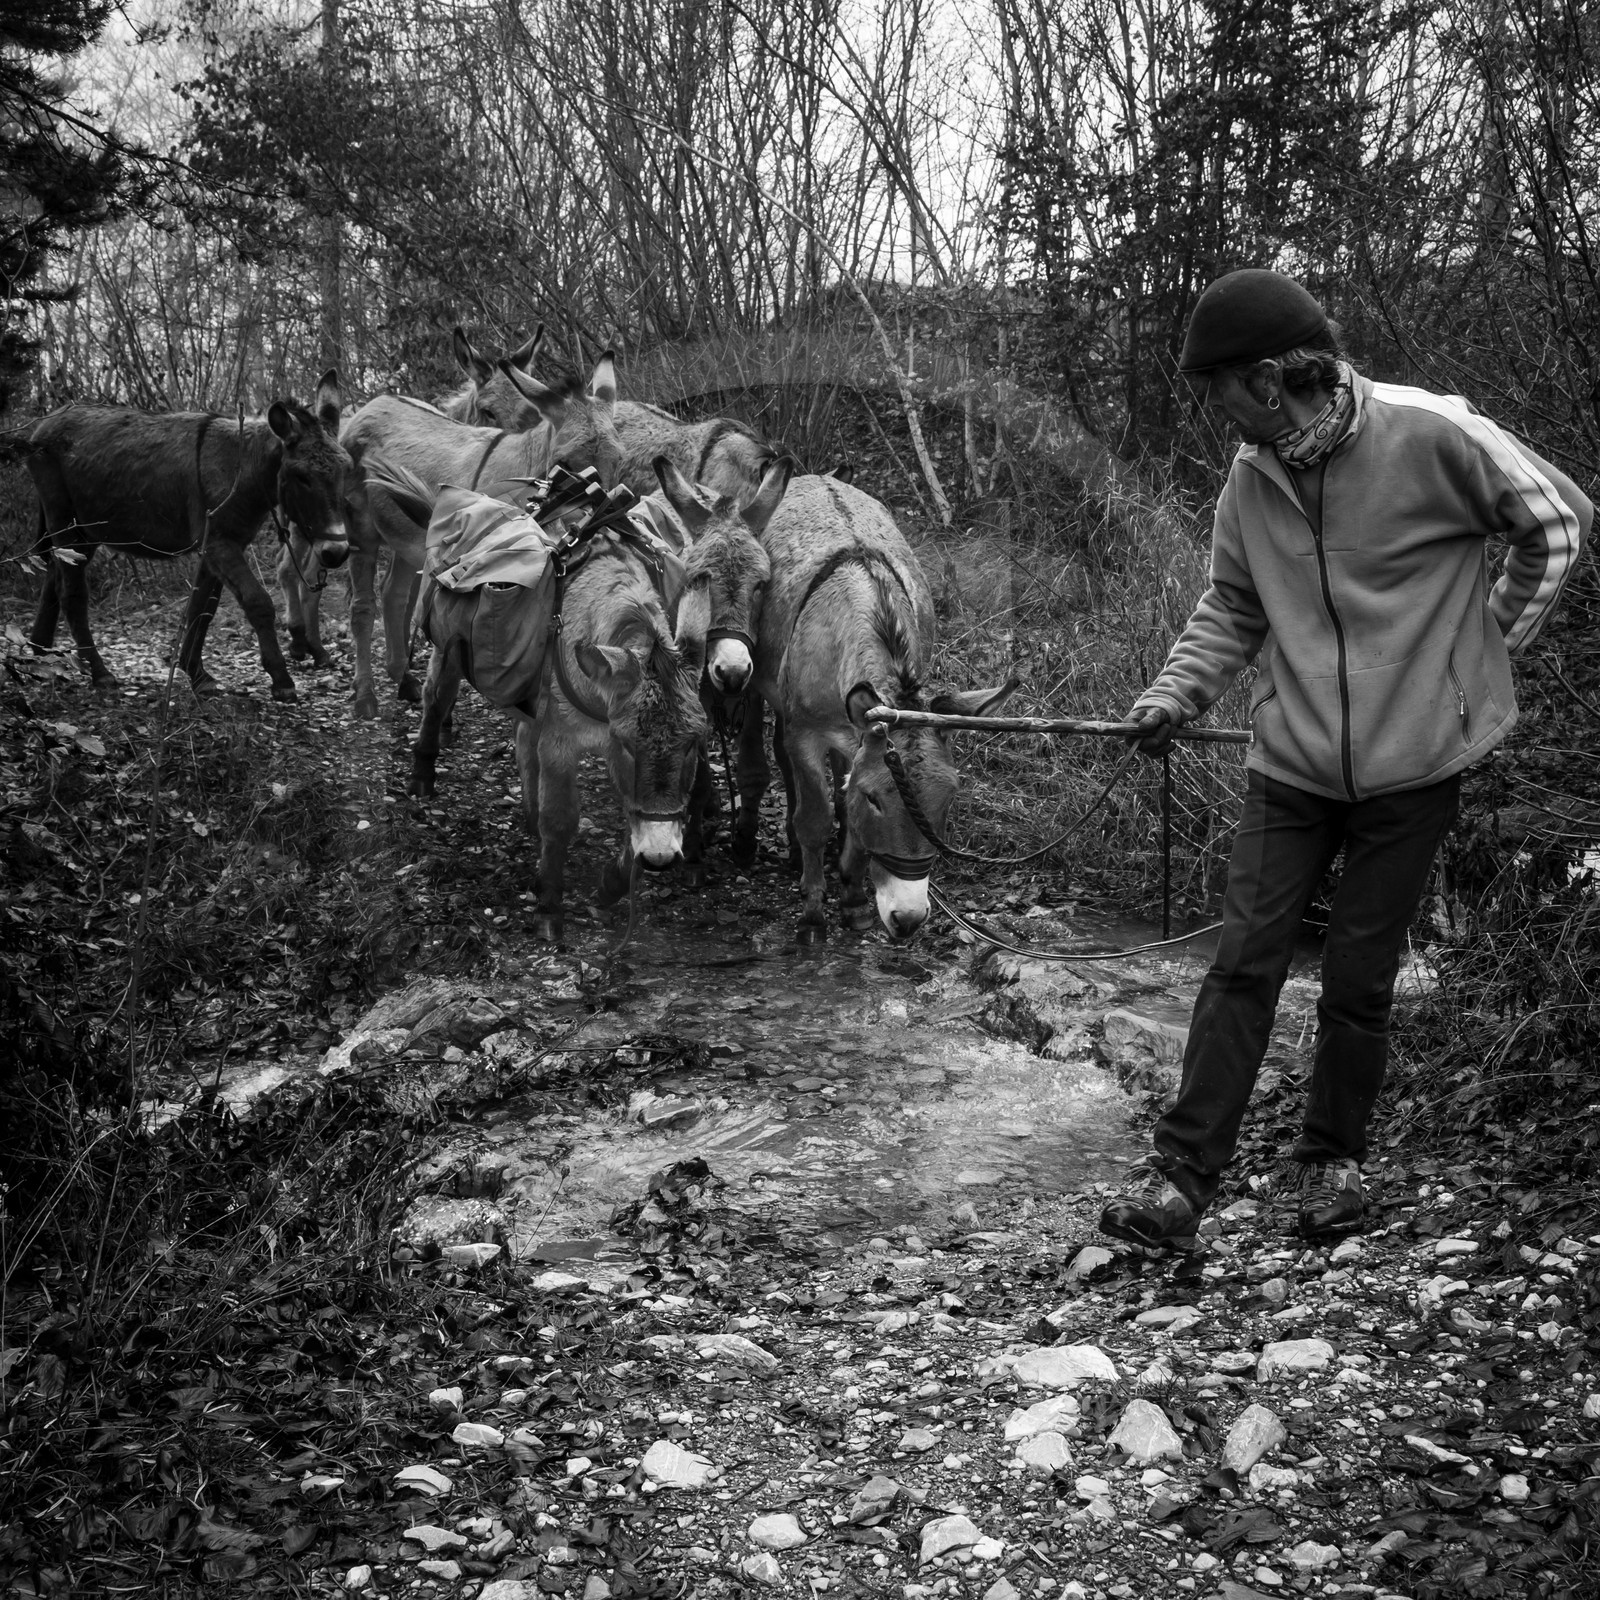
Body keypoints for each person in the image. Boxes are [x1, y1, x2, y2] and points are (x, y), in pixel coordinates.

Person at [1100, 267, 1591, 1249]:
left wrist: (1478, 655)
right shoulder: (1253, 474)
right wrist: (1172, 693)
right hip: (1290, 761)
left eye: (1221, 391)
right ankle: (1179, 1182)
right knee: (1240, 966)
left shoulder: (1431, 431)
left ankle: (1331, 1164)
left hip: (1413, 769)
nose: (1215, 414)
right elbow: (1232, 604)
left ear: (1273, 378)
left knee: (1359, 979)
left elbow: (1560, 523)